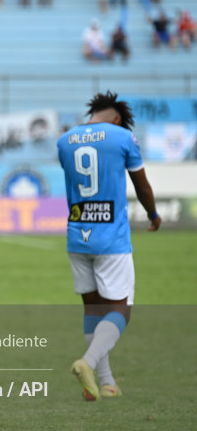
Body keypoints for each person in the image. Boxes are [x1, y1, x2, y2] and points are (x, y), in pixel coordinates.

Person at [56, 92, 160, 401]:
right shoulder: (123, 136)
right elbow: (141, 185)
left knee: (93, 308)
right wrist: (153, 214)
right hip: (111, 238)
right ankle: (86, 363)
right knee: (120, 311)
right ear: (116, 118)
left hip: (77, 234)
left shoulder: (65, 140)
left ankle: (106, 382)